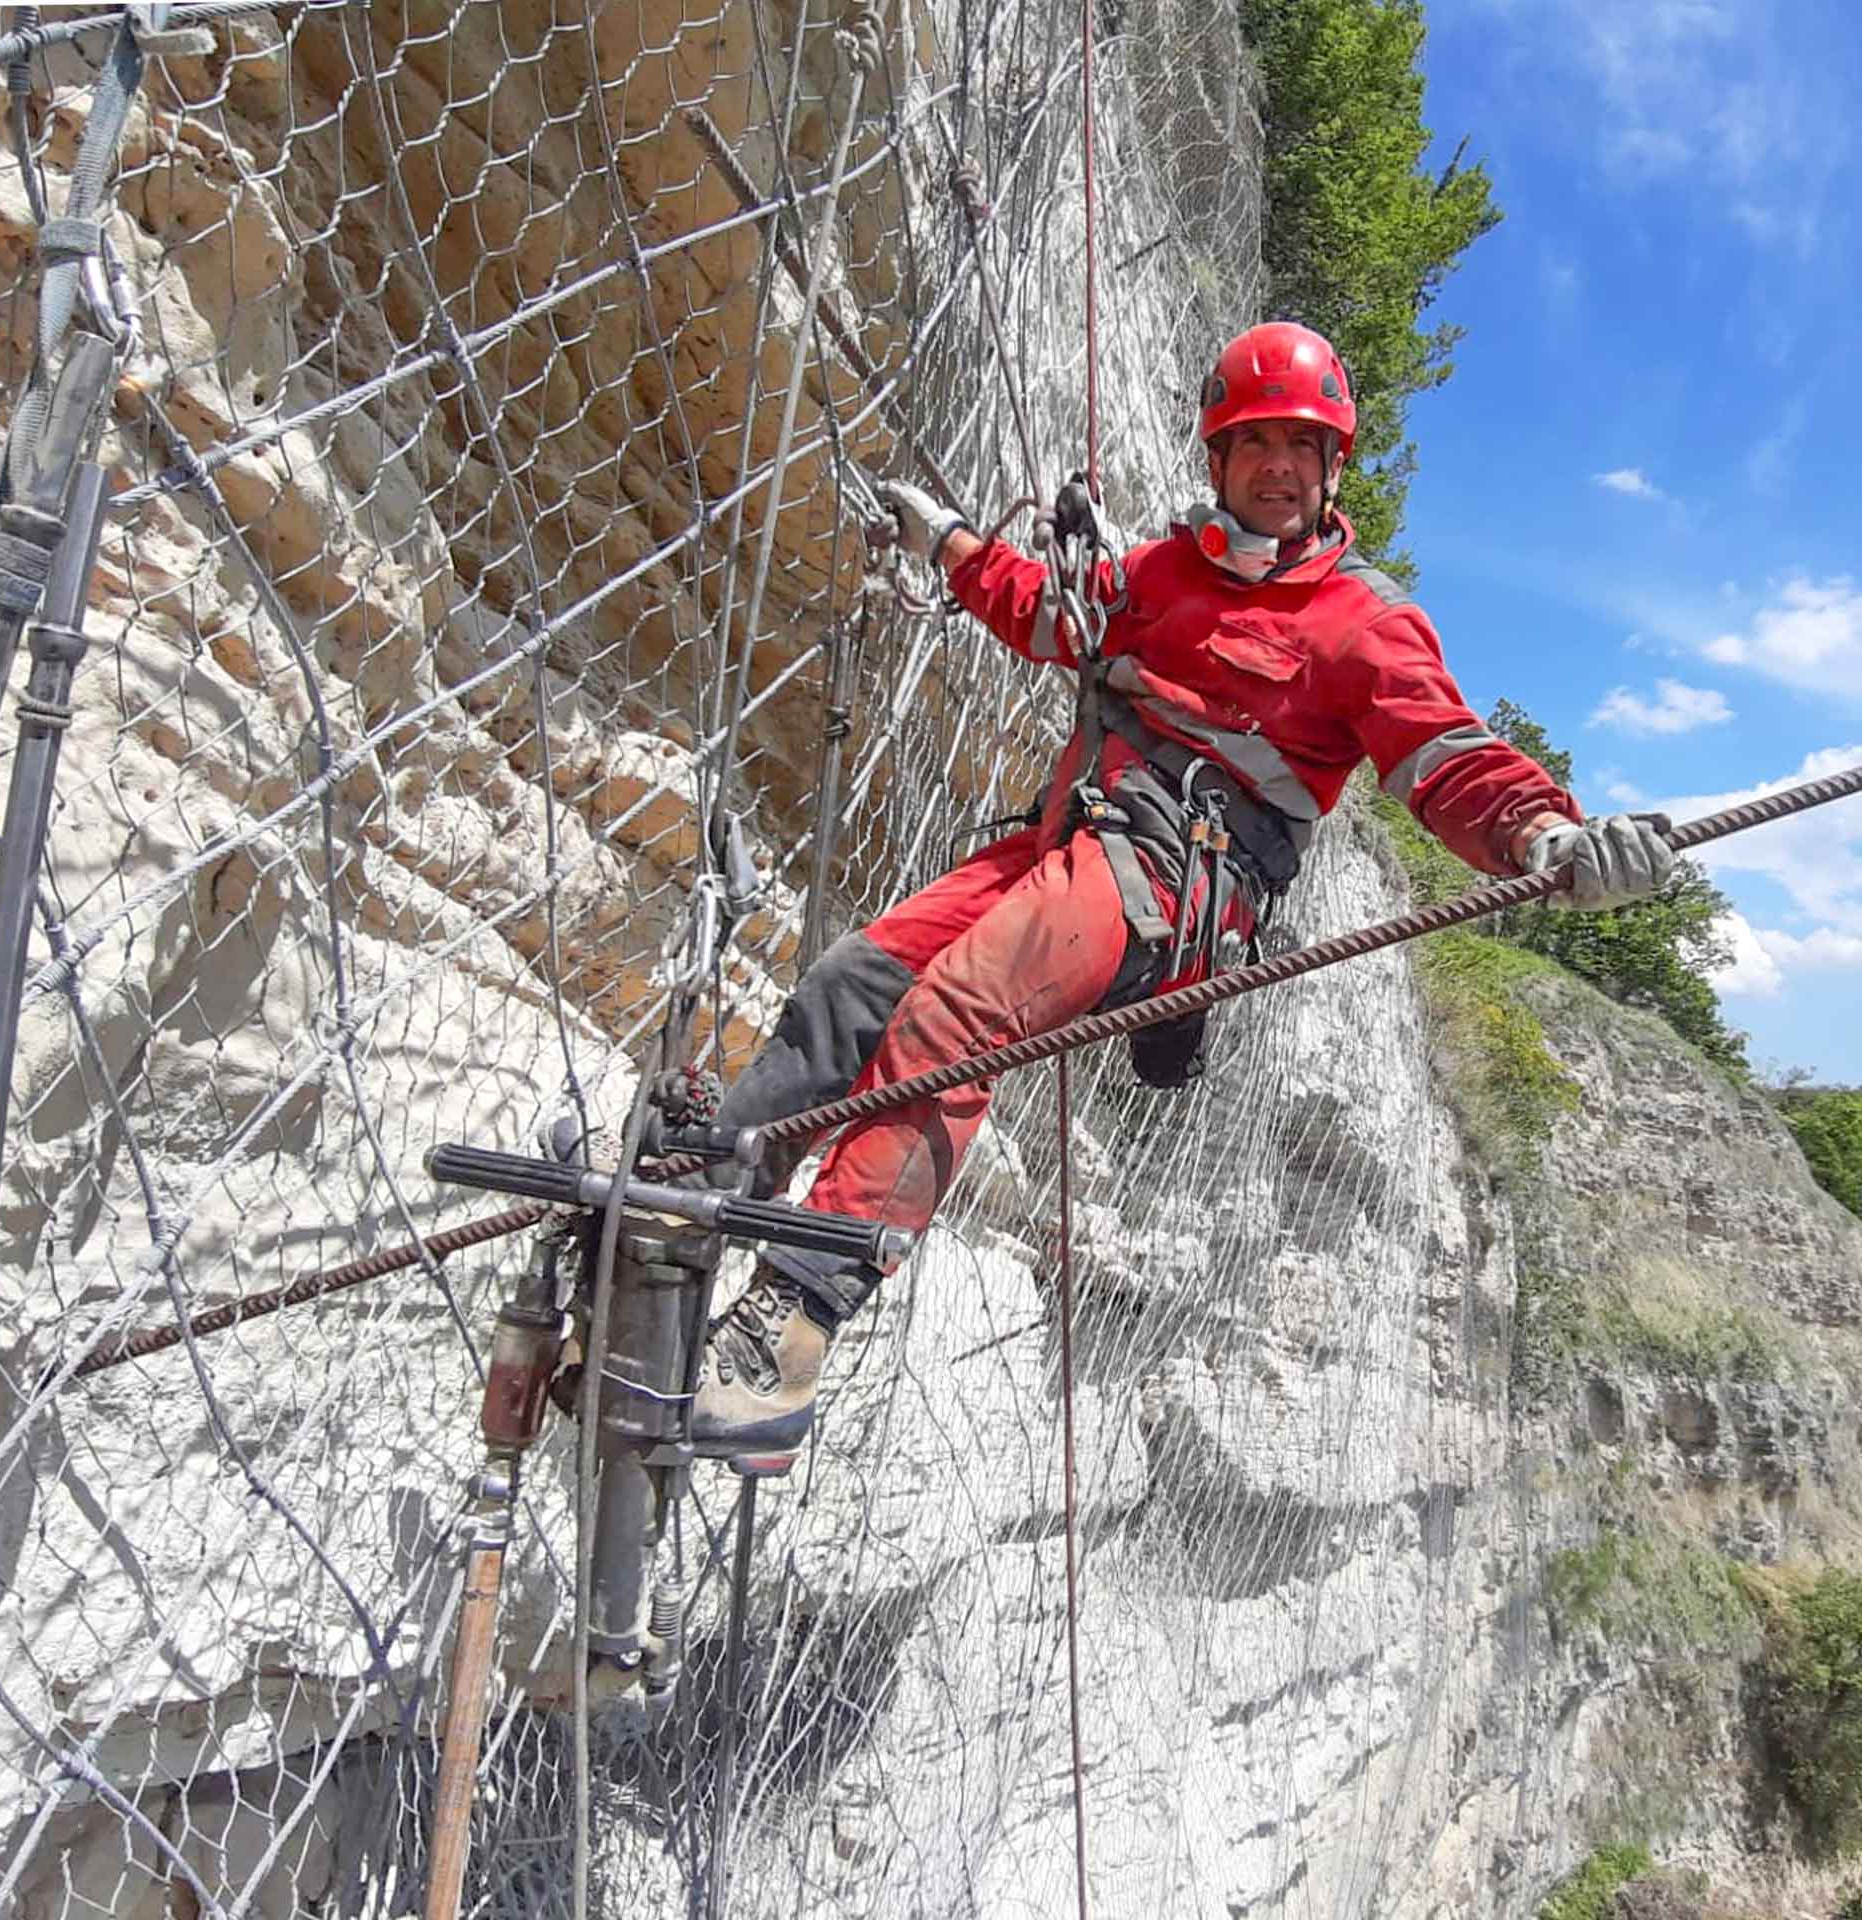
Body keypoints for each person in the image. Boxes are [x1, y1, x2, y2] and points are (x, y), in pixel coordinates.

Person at [689, 320, 1673, 1460]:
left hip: (1180, 881)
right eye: (1254, 443)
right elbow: (1057, 615)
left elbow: (1445, 756)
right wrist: (954, 544)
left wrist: (1542, 834)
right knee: (854, 979)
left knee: (960, 1008)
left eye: (1301, 447)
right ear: (1218, 460)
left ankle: (796, 1321)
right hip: (1078, 843)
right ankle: (708, 1189)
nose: (1278, 467)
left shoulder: (1365, 622)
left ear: (1332, 465)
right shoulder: (1162, 573)